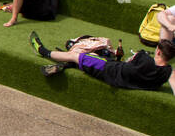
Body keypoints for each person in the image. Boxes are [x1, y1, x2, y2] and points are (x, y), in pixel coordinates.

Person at [31, 35, 175, 93]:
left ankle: (44, 51)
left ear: (158, 52)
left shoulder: (143, 57)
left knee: (75, 55)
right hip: (120, 75)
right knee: (92, 56)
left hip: (109, 70)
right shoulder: (167, 71)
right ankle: (68, 65)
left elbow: (126, 61)